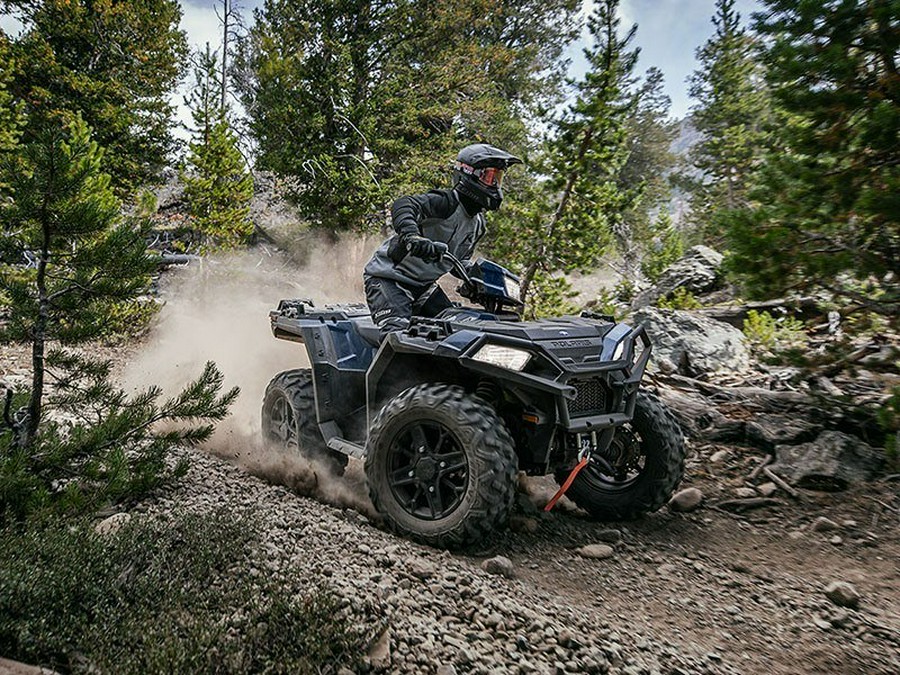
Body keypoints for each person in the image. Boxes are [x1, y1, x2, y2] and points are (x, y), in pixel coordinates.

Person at [363, 143, 522, 334]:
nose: (495, 184)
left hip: (423, 287)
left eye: (498, 178)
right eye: (489, 177)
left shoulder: (478, 224)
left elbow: (459, 261)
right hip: (388, 280)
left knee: (456, 331)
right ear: (468, 174)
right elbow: (405, 204)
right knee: (398, 335)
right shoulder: (446, 202)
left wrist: (478, 280)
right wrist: (412, 236)